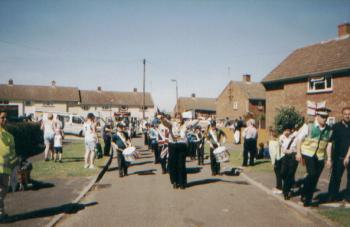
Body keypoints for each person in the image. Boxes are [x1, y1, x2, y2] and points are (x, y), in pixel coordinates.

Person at [296, 107, 333, 207]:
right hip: (308, 153)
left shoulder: (329, 130)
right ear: (317, 116)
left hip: (320, 156)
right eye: (322, 116)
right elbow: (299, 139)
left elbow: (329, 145)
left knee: (315, 178)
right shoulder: (309, 126)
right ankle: (306, 200)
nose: (324, 119)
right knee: (312, 174)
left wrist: (329, 159)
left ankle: (305, 194)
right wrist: (298, 153)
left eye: (326, 117)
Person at [160, 113, 188, 189]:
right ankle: (174, 182)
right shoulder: (172, 124)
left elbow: (194, 123)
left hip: (182, 145)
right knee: (173, 165)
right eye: (177, 117)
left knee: (181, 165)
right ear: (175, 118)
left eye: (180, 117)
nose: (178, 119)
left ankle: (182, 182)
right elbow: (166, 123)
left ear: (182, 118)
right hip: (172, 145)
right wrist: (162, 118)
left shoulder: (184, 125)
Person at [328, 107, 350, 202]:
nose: (348, 116)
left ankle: (348, 197)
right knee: (335, 178)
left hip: (349, 156)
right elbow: (330, 142)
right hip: (338, 157)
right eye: (346, 114)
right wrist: (329, 158)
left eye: (349, 114)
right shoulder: (336, 126)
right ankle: (332, 196)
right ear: (342, 114)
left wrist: (347, 157)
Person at [0, 111, 18, 221]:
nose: (5, 120)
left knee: (3, 191)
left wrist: (12, 163)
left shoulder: (9, 136)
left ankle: (1, 212)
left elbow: (13, 152)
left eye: (6, 117)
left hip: (5, 169)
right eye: (2, 117)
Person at [279, 126, 298, 200]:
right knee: (283, 173)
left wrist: (293, 151)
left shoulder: (295, 138)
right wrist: (286, 151)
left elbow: (297, 148)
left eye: (288, 130)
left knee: (290, 174)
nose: (287, 132)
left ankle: (286, 191)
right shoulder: (281, 138)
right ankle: (288, 186)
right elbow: (282, 148)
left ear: (291, 131)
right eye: (285, 130)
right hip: (285, 157)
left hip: (293, 157)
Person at [269, 128, 283, 194]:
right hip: (280, 159)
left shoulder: (271, 143)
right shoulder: (278, 142)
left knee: (278, 174)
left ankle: (279, 188)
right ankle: (279, 186)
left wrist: (273, 163)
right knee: (279, 174)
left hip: (276, 160)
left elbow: (273, 153)